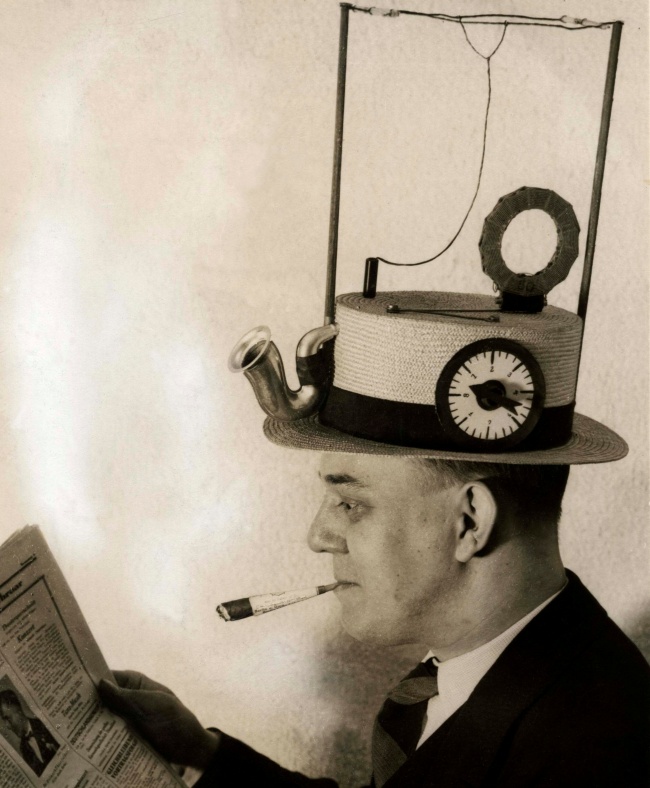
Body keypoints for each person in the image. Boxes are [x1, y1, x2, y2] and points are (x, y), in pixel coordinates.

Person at [99, 454, 650, 787]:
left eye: (350, 503)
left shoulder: (597, 753)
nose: (317, 537)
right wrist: (201, 753)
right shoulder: (457, 675)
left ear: (469, 521)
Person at [0, 689, 60, 777]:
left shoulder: (44, 724)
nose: (7, 726)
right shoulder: (23, 748)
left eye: (7, 718)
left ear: (18, 711)